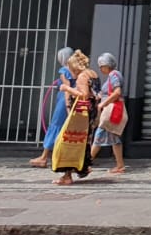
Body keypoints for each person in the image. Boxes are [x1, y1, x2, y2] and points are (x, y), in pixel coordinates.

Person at [52, 50, 99, 186]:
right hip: (91, 111)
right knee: (82, 141)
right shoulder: (92, 73)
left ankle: (67, 176)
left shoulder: (82, 77)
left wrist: (67, 88)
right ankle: (82, 167)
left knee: (67, 142)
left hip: (81, 112)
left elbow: (84, 95)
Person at [30, 47, 75, 169]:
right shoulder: (75, 70)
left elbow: (67, 87)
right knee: (67, 129)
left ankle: (44, 157)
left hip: (64, 101)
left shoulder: (63, 71)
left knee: (55, 126)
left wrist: (66, 104)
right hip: (74, 100)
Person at [90, 52, 127, 175]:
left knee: (99, 135)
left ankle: (86, 163)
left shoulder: (114, 75)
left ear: (107, 65)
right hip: (114, 110)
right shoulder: (113, 75)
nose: (100, 68)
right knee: (114, 138)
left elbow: (117, 92)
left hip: (112, 111)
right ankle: (120, 165)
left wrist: (103, 103)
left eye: (101, 65)